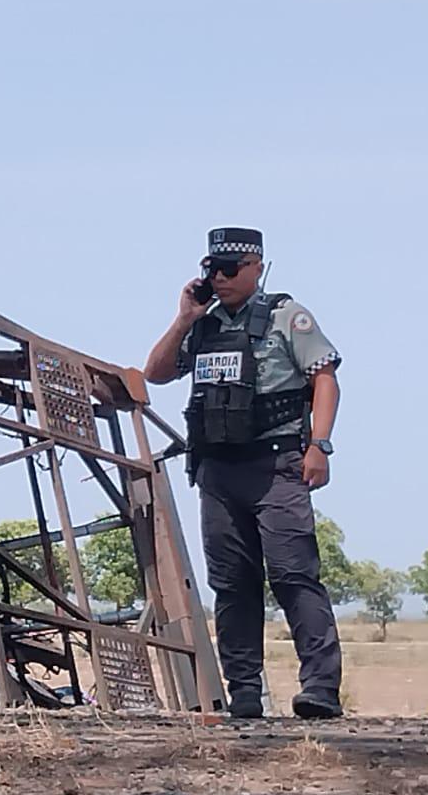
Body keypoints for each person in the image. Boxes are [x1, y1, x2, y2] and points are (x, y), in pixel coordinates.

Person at [143, 227, 344, 719]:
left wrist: (319, 445)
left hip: (277, 465)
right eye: (213, 269)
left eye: (231, 269)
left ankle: (320, 688)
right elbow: (156, 372)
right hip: (218, 471)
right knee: (232, 584)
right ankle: (245, 693)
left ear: (257, 267)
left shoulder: (286, 317)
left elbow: (325, 378)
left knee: (294, 575)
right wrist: (184, 318)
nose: (221, 278)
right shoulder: (204, 325)